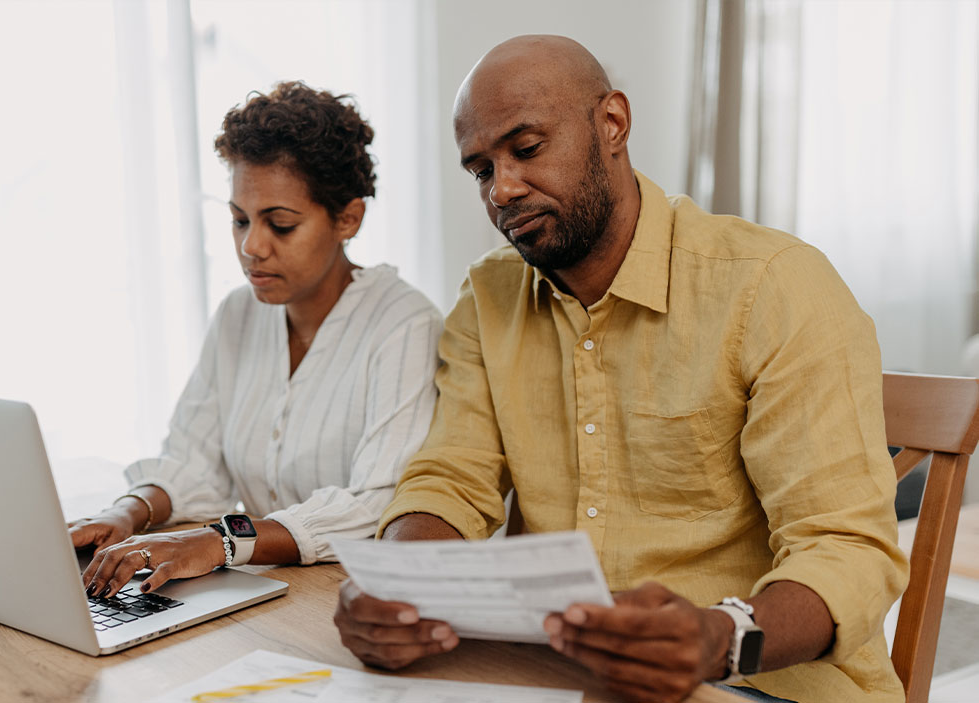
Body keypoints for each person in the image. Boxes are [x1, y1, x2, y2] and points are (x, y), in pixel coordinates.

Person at [332, 35, 907, 703]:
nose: (504, 190)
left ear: (611, 124)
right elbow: (450, 477)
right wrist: (396, 582)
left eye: (525, 149)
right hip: (559, 677)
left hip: (756, 680)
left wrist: (719, 635)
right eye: (480, 170)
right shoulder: (487, 298)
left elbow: (845, 545)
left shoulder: (773, 286)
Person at [70, 82, 442, 600]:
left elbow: (377, 501)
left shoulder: (404, 324)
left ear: (348, 218)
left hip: (360, 599)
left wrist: (221, 541)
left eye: (281, 225)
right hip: (264, 592)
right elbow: (192, 459)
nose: (251, 247)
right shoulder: (238, 315)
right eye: (239, 220)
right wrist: (126, 512)